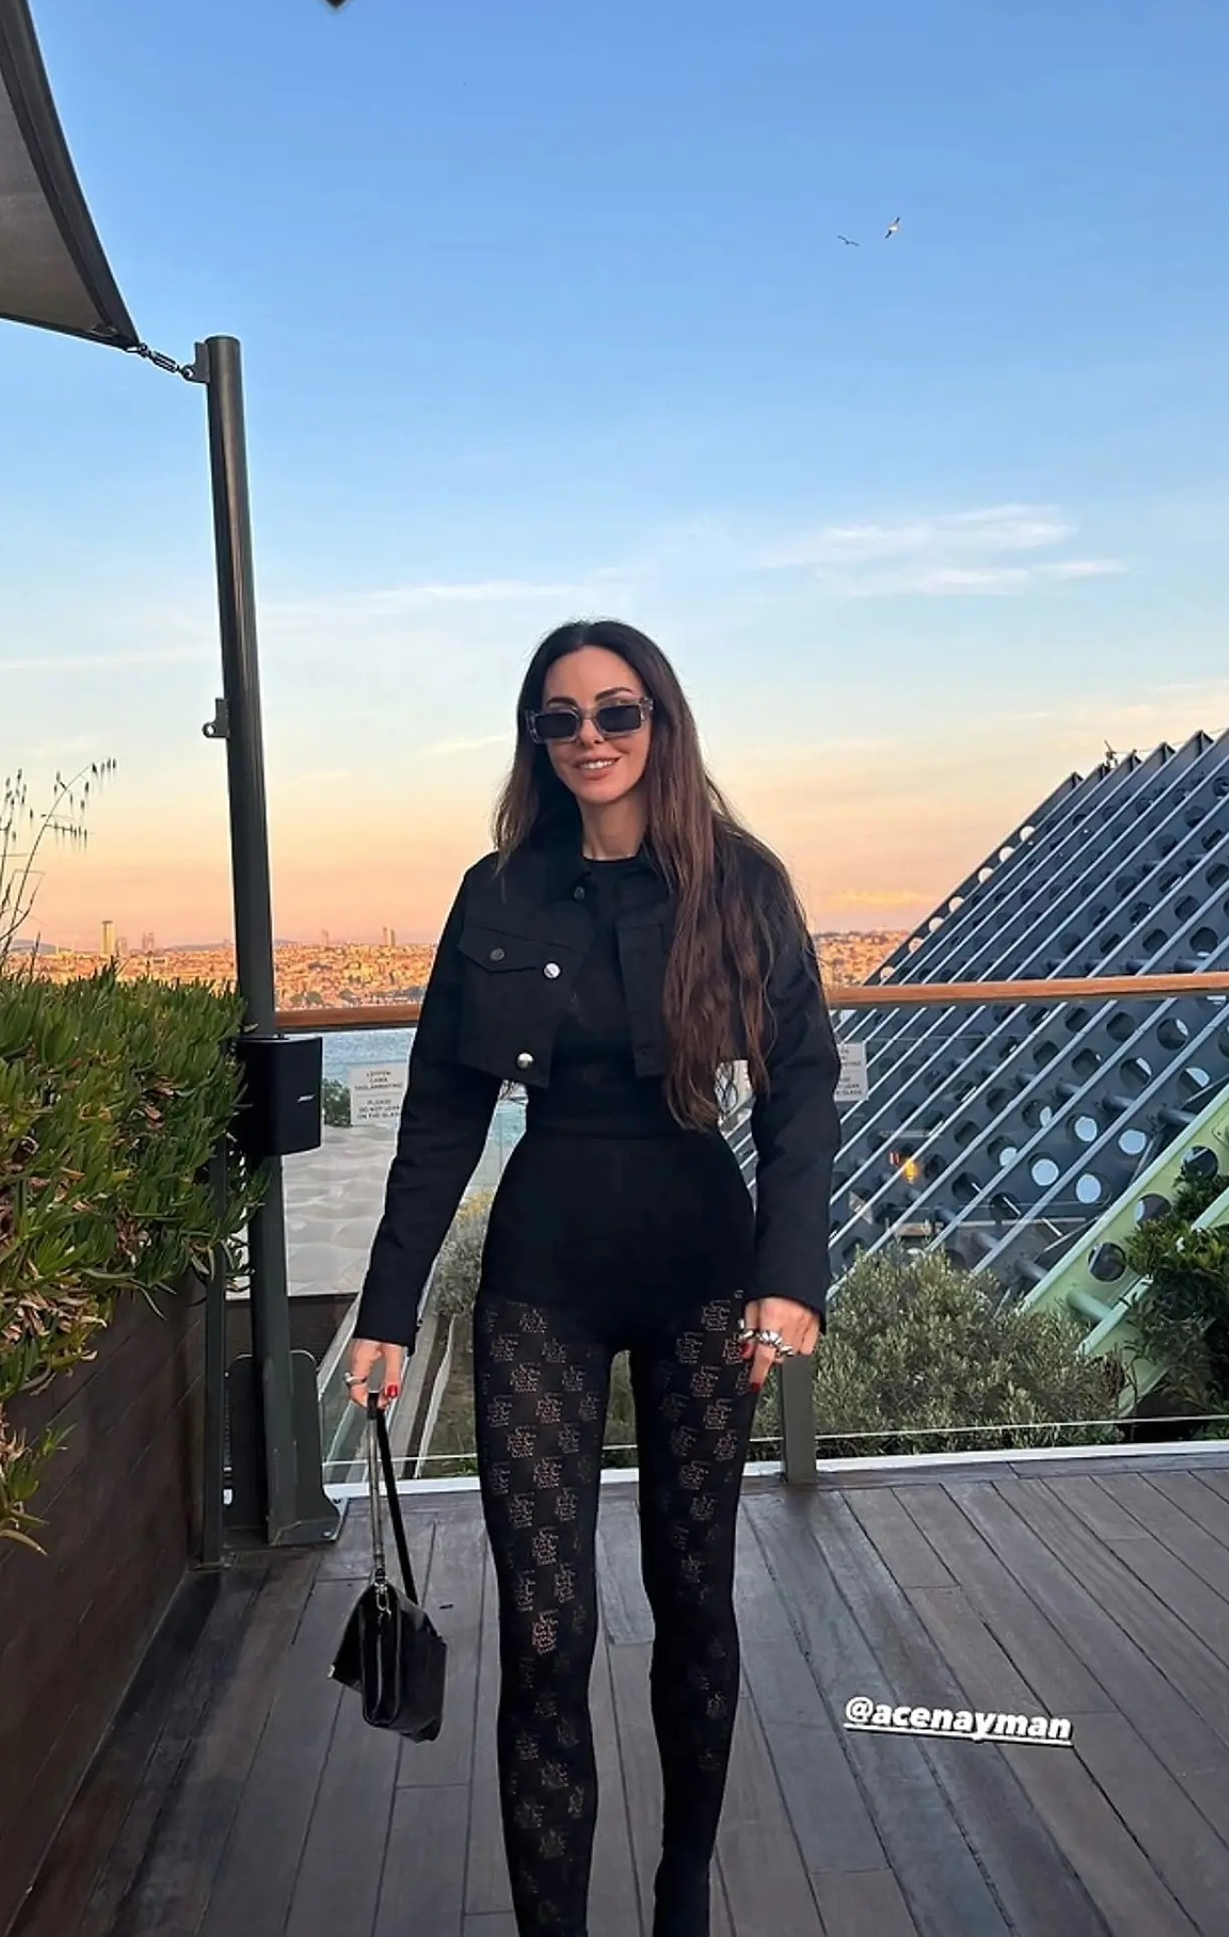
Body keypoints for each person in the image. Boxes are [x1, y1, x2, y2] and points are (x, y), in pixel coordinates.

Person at [347, 618, 840, 1937]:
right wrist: (387, 1305)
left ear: (660, 723)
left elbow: (800, 1081)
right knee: (546, 1630)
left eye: (616, 711)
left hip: (704, 1271)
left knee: (695, 1601)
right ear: (536, 740)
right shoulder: (497, 890)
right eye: (559, 718)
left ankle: (683, 1892)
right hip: (542, 1275)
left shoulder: (740, 881)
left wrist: (792, 1274)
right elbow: (442, 1108)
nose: (590, 738)